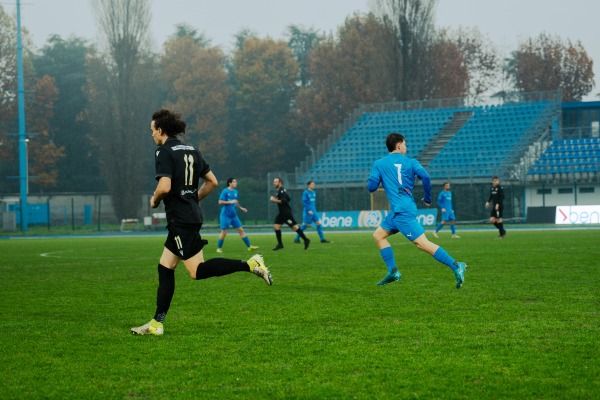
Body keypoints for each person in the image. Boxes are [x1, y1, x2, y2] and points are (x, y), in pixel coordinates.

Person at [131, 109, 272, 336]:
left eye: (152, 130)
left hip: (180, 220)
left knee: (197, 271)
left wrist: (155, 201)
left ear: (161, 130)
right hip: (190, 217)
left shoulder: (163, 151)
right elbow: (212, 182)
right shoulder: (192, 150)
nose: (152, 134)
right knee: (165, 267)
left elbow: (164, 187)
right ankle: (156, 324)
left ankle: (250, 264)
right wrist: (191, 199)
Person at [367, 133, 467, 288]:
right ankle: (393, 271)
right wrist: (427, 198)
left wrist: (380, 177)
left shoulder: (379, 163)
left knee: (422, 243)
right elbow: (425, 177)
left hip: (401, 212)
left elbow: (371, 187)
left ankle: (456, 265)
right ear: (398, 145)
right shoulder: (411, 162)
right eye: (405, 144)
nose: (406, 147)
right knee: (378, 235)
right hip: (400, 211)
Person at [216, 177, 259, 253]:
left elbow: (235, 202)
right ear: (230, 183)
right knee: (224, 232)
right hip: (225, 215)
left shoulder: (236, 192)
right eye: (234, 182)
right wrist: (230, 202)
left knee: (241, 230)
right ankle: (219, 248)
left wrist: (241, 208)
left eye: (236, 182)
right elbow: (220, 202)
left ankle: (249, 246)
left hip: (233, 215)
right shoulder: (225, 191)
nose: (236, 183)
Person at [270, 177, 310, 251]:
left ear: (280, 183)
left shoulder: (282, 191)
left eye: (275, 182)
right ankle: (280, 244)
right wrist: (276, 199)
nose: (274, 183)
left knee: (294, 227)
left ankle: (306, 239)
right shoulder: (279, 191)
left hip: (286, 214)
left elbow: (284, 201)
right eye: (274, 182)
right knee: (276, 226)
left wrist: (274, 200)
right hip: (281, 213)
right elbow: (288, 198)